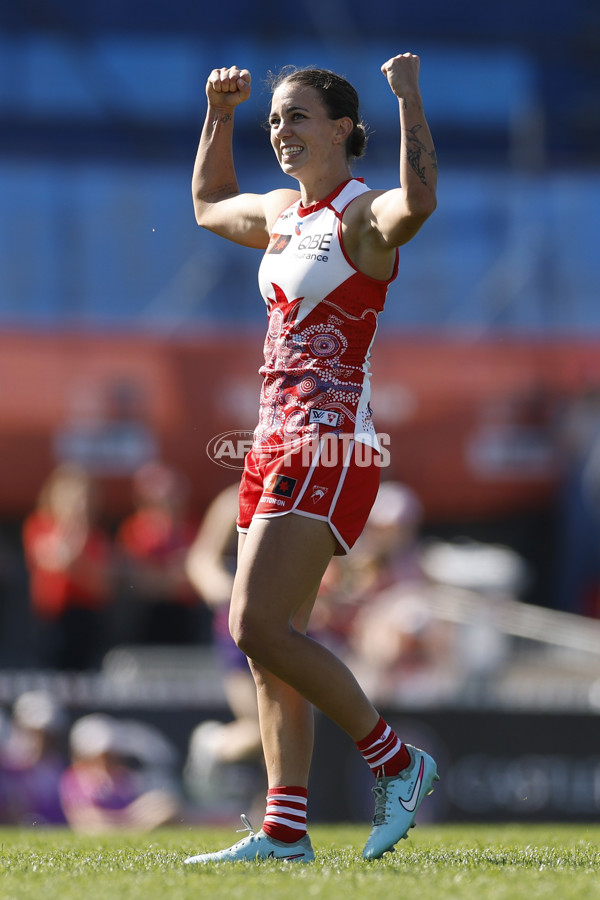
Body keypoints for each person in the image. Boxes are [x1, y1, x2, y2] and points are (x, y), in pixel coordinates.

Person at [184, 53, 438, 865]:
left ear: (340, 127)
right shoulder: (282, 213)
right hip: (275, 441)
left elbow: (421, 200)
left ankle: (398, 763)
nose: (279, 132)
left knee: (253, 623)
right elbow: (205, 205)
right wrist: (221, 114)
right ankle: (285, 829)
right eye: (273, 121)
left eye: (294, 116)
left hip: (329, 443)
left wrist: (409, 100)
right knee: (272, 640)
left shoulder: (360, 217)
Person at [22, 463, 113, 670]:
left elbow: (102, 584)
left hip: (85, 614)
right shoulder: (39, 525)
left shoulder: (97, 536)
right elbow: (53, 558)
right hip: (51, 615)